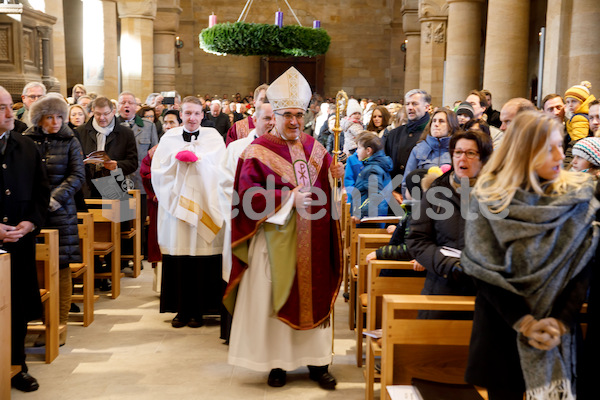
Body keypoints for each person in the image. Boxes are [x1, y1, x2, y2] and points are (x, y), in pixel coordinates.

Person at [461, 111, 597, 400]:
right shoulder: (488, 199)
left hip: (559, 331)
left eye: (561, 145)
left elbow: (581, 267)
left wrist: (558, 322)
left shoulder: (578, 199)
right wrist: (525, 323)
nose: (562, 155)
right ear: (524, 151)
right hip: (502, 328)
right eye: (550, 148)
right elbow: (483, 270)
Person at [225, 67, 345, 390]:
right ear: (274, 114)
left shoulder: (317, 149)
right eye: (287, 115)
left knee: (314, 295)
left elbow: (324, 196)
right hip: (274, 240)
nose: (294, 122)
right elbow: (247, 197)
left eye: (299, 115)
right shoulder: (256, 151)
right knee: (275, 298)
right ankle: (277, 363)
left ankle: (319, 363)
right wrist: (288, 198)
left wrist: (334, 175)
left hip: (314, 241)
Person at [151, 96, 229, 330]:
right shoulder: (169, 138)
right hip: (176, 208)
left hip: (204, 204)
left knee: (202, 258)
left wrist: (199, 160)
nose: (192, 118)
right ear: (181, 114)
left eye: (196, 113)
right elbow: (158, 171)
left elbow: (220, 169)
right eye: (187, 113)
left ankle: (201, 311)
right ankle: (182, 311)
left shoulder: (213, 138)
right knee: (181, 258)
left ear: (202, 115)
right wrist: (177, 161)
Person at [406, 129, 493, 319]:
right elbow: (417, 240)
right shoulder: (436, 192)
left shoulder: (498, 195)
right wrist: (449, 265)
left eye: (471, 153)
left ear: (484, 159)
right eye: (458, 152)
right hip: (442, 288)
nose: (463, 158)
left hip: (487, 294)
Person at [24, 94, 85, 346]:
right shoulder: (26, 140)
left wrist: (54, 199)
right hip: (31, 213)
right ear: (39, 119)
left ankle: (59, 326)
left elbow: (77, 174)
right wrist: (35, 202)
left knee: (60, 268)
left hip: (61, 212)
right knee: (34, 267)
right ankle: (36, 320)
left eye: (60, 116)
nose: (56, 121)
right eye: (50, 117)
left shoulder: (70, 140)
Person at [0, 85, 50, 392]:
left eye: (9, 106)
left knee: (16, 305)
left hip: (19, 242)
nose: (10, 113)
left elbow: (40, 192)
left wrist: (31, 222)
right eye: (2, 108)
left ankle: (17, 365)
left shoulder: (26, 145)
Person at [76, 96, 138, 198]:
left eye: (106, 114)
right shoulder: (80, 131)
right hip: (87, 186)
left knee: (121, 213)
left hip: (114, 184)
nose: (102, 118)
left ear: (113, 112)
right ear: (92, 112)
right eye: (98, 114)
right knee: (88, 214)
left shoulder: (126, 133)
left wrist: (116, 165)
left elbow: (133, 163)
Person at [384, 89, 431, 203]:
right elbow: (383, 164)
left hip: (421, 198)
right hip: (393, 196)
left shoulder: (431, 134)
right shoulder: (395, 134)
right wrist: (390, 190)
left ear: (427, 107)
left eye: (415, 104)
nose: (410, 107)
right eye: (407, 104)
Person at [402, 108, 459, 195]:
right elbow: (406, 183)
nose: (436, 124)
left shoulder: (457, 150)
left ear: (451, 126)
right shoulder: (418, 149)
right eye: (434, 121)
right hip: (421, 203)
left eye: (441, 121)